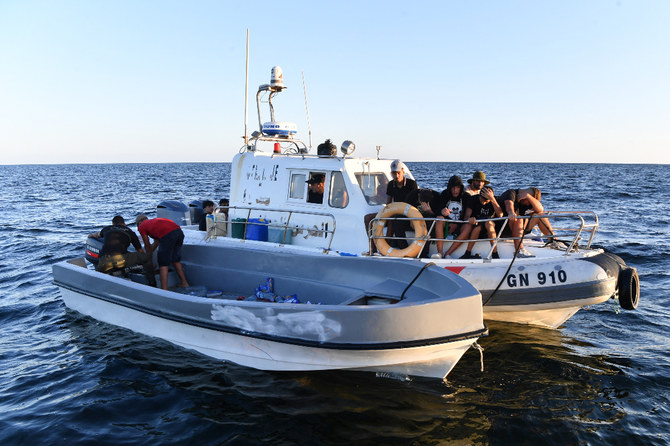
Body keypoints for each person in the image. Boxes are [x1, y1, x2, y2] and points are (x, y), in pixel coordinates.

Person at [89, 215, 157, 287]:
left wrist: (90, 236)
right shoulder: (130, 231)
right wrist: (149, 265)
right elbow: (140, 251)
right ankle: (153, 285)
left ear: (113, 224)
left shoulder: (107, 229)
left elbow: (95, 235)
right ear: (124, 224)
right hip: (120, 260)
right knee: (146, 257)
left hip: (103, 262)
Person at [443, 186, 503, 259]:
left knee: (488, 223)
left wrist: (492, 199)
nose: (484, 203)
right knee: (476, 228)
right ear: (479, 196)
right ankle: (467, 252)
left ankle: (495, 253)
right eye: (482, 200)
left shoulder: (495, 200)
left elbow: (500, 215)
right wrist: (470, 219)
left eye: (486, 201)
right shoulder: (473, 199)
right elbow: (466, 216)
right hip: (476, 225)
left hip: (490, 227)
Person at [136, 214, 189, 290]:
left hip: (168, 235)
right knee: (175, 260)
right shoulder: (154, 222)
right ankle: (184, 283)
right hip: (179, 232)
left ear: (138, 224)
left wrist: (148, 260)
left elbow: (147, 245)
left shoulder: (142, 226)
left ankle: (164, 289)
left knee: (163, 263)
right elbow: (156, 242)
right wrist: (150, 252)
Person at [498, 187, 557, 257]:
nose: (528, 205)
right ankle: (519, 251)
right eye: (528, 201)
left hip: (518, 228)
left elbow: (540, 210)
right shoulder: (511, 193)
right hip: (503, 228)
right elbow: (508, 204)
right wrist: (511, 212)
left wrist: (528, 197)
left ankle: (554, 241)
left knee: (539, 215)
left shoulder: (525, 201)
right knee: (519, 218)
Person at [385, 160, 418, 248]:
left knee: (395, 222)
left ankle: (399, 248)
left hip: (408, 213)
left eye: (398, 173)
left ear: (403, 172)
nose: (396, 176)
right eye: (394, 173)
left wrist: (412, 218)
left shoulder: (412, 184)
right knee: (368, 218)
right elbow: (388, 202)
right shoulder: (391, 184)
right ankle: (373, 249)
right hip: (396, 212)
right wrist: (384, 215)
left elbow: (415, 203)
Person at [434, 175, 467, 257]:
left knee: (468, 227)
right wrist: (442, 211)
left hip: (461, 224)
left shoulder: (466, 196)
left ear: (461, 188)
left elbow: (468, 214)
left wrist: (457, 225)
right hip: (447, 223)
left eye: (457, 187)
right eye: (453, 188)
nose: (455, 190)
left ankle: (448, 253)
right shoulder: (445, 194)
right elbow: (437, 210)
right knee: (439, 219)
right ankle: (440, 253)